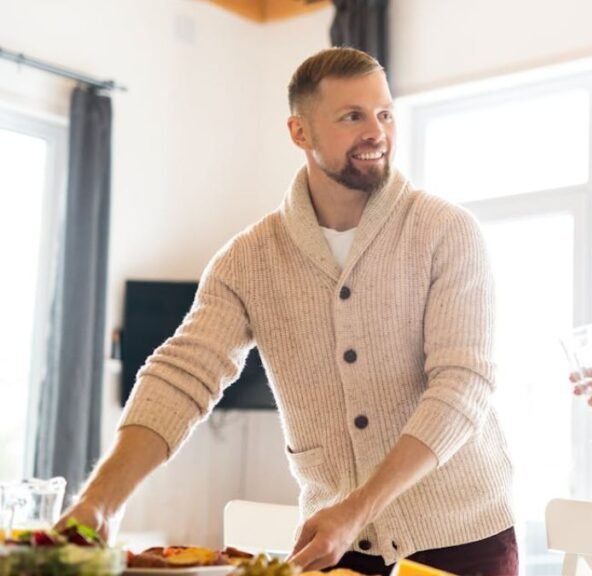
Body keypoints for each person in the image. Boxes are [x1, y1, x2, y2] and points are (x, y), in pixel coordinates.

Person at [59, 47, 517, 576]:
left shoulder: (446, 231)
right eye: (352, 116)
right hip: (336, 545)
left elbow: (463, 385)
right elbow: (180, 376)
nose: (376, 131)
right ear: (300, 132)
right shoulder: (248, 259)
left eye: (384, 113)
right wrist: (101, 502)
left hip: (463, 542)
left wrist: (356, 508)